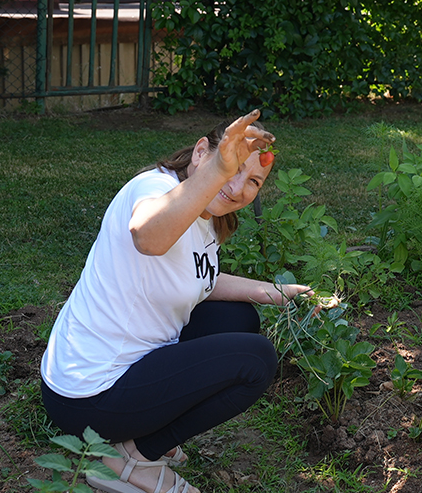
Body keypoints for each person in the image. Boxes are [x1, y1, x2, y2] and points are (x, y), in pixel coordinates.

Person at [40, 111, 311, 493]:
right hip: (88, 396)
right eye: (229, 168)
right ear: (202, 152)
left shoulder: (206, 215)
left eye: (252, 181)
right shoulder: (152, 189)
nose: (236, 188)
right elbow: (148, 237)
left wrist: (273, 292)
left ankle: (149, 433)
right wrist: (217, 171)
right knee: (256, 360)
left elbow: (199, 278)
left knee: (239, 320)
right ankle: (134, 458)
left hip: (121, 371)